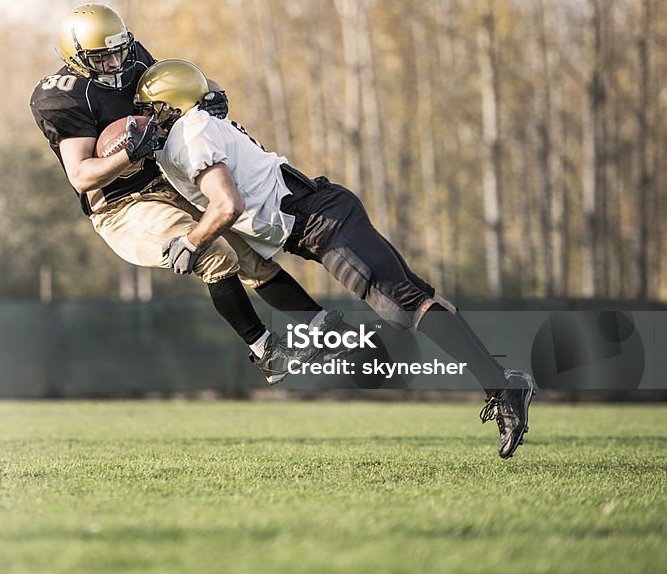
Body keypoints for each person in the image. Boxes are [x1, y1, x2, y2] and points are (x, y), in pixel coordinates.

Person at [135, 58, 537, 459]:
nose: (143, 120)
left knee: (402, 307)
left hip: (320, 222)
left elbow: (227, 205)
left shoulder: (190, 132)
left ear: (171, 107)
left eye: (149, 110)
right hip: (315, 217)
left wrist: (192, 241)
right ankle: (502, 383)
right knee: (416, 297)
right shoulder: (194, 127)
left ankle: (504, 387)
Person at [29, 3, 347, 384]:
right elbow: (81, 176)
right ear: (76, 59)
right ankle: (266, 351)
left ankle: (319, 325)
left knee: (247, 250)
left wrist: (209, 93)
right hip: (121, 205)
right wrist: (131, 150)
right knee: (212, 252)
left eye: (118, 51)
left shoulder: (132, 57)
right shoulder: (62, 97)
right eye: (103, 58)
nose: (115, 63)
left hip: (166, 179)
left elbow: (173, 79)